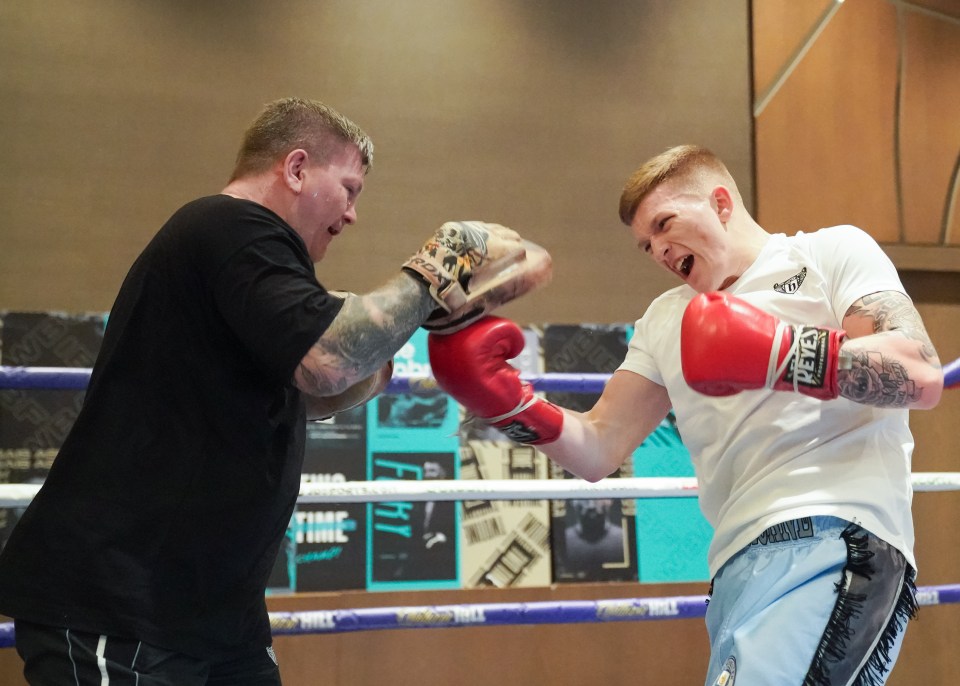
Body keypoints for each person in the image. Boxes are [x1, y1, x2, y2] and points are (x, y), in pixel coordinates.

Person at [0, 97, 548, 684]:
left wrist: (424, 320)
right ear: (295, 168)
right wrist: (439, 266)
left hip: (212, 614)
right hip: (119, 601)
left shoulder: (246, 257)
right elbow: (328, 361)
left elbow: (318, 390)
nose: (352, 214)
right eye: (349, 188)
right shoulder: (230, 225)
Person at [428, 145, 944, 686]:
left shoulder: (828, 253)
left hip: (838, 536)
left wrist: (777, 353)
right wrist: (506, 404)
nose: (657, 250)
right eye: (645, 244)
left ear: (720, 203)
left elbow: (920, 372)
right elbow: (599, 446)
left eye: (665, 224)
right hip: (734, 566)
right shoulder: (663, 320)